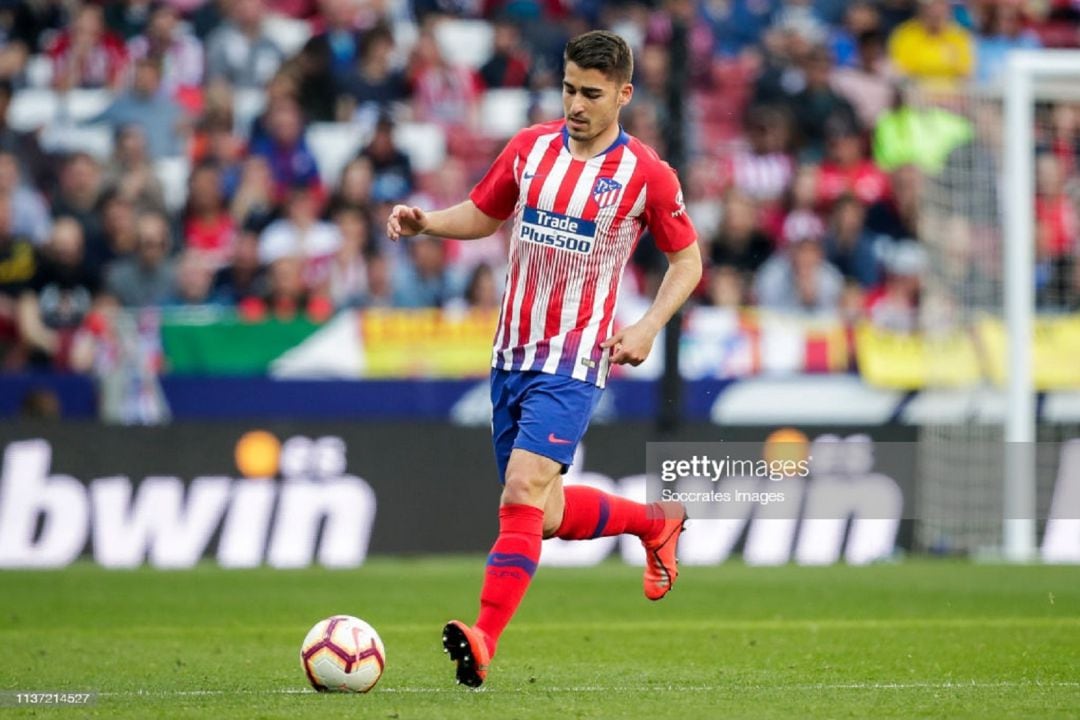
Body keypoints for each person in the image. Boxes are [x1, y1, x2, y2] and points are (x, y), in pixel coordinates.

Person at [385, 30, 702, 689]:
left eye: (591, 93)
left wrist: (646, 325)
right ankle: (655, 522)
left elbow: (688, 261)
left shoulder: (646, 174)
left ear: (623, 94)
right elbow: (483, 213)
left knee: (522, 490)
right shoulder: (530, 149)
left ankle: (484, 638)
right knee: (544, 514)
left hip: (575, 361)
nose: (575, 104)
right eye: (568, 88)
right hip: (510, 357)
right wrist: (427, 224)